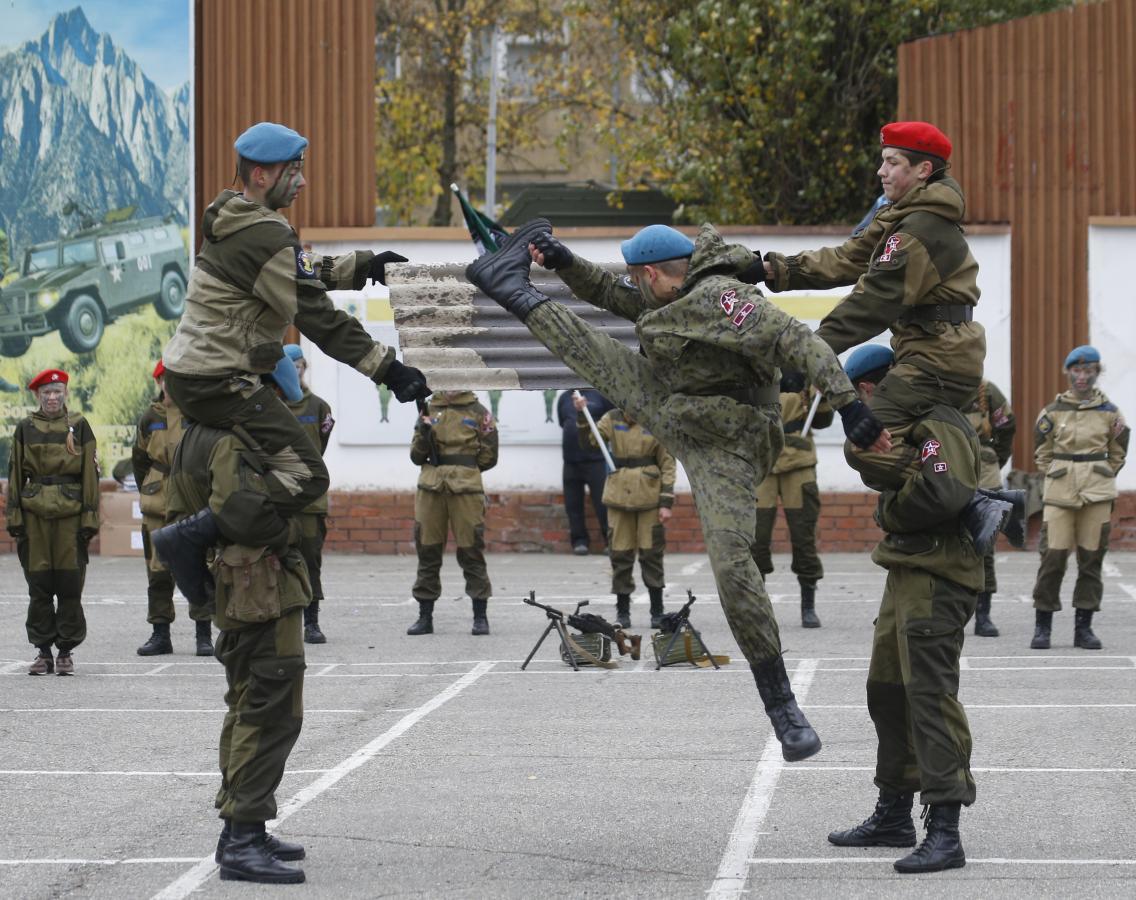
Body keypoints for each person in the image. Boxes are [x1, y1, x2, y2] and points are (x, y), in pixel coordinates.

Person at [466, 218, 890, 762]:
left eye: (637, 278)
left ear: (652, 273)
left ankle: (783, 707)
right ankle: (510, 286)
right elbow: (613, 295)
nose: (636, 288)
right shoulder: (669, 292)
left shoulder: (724, 297)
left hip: (730, 445)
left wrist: (850, 403)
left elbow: (797, 340)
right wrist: (565, 262)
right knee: (594, 355)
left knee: (733, 564)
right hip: (678, 411)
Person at [156, 121, 429, 600]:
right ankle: (193, 538)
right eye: (294, 171)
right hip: (218, 380)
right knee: (306, 476)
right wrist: (390, 370)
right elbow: (317, 317)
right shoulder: (263, 234)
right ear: (261, 176)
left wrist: (366, 266)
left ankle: (211, 535)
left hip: (192, 375)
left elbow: (295, 271)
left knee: (264, 467)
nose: (302, 182)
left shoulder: (235, 218)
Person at [761, 121, 1018, 547]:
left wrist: (805, 352)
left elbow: (871, 304)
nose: (881, 171)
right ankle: (954, 500)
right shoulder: (902, 217)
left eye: (892, 162)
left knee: (864, 444)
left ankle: (970, 499)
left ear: (922, 171)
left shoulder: (920, 230)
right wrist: (772, 269)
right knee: (901, 447)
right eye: (883, 160)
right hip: (930, 352)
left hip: (937, 358)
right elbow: (846, 259)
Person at [827, 344, 981, 874]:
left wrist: (891, 506)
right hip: (906, 570)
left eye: (863, 396)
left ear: (874, 388)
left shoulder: (939, 422)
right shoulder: (911, 427)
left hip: (939, 574)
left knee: (930, 698)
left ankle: (945, 828)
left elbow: (945, 492)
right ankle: (893, 811)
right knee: (887, 691)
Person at [164, 407, 310, 885]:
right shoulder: (229, 438)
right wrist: (290, 530)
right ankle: (243, 838)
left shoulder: (191, 434)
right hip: (259, 589)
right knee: (268, 712)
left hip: (244, 587)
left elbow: (188, 511)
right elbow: (244, 515)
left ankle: (242, 828)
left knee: (249, 704)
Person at [1029, 346, 1128, 650]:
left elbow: (1119, 450)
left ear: (1097, 373)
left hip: (1096, 495)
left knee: (1091, 560)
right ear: (1068, 372)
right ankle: (1042, 626)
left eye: (1088, 371)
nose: (1082, 377)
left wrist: (1101, 474)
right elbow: (1042, 451)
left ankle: (1083, 628)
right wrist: (1059, 472)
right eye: (1077, 371)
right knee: (1053, 558)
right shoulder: (1052, 411)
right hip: (1060, 494)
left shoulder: (1110, 412)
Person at [6, 369, 99, 676]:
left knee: (70, 585)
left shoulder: (80, 425)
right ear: (37, 396)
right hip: (35, 517)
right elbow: (16, 475)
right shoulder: (25, 428)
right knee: (39, 585)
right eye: (46, 392)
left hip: (70, 516)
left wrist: (89, 517)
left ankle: (66, 653)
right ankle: (43, 652)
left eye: (57, 391)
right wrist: (15, 517)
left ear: (66, 394)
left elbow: (89, 475)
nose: (52, 397)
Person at [573, 396, 676, 628]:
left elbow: (668, 463)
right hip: (619, 497)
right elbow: (590, 442)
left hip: (649, 498)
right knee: (620, 555)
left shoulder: (657, 419)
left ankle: (657, 611)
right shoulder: (612, 418)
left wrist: (666, 503)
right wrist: (582, 414)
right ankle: (622, 612)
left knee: (652, 556)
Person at [134, 360, 213, 656]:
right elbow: (139, 460)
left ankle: (203, 634)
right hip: (157, 499)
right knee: (157, 571)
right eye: (165, 379)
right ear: (158, 383)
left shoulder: (196, 414)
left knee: (198, 564)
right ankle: (160, 633)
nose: (170, 384)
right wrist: (152, 486)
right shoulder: (149, 417)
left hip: (191, 495)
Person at [406, 390, 499, 636]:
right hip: (431, 487)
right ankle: (425, 616)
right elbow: (416, 456)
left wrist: (464, 469)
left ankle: (480, 616)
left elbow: (489, 456)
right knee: (427, 549)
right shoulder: (428, 409)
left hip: (466, 488)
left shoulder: (479, 412)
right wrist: (425, 433)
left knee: (471, 549)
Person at [752, 372, 834, 628]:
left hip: (798, 463)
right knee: (756, 536)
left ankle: (807, 605)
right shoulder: (756, 365)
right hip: (763, 462)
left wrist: (822, 396)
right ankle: (758, 608)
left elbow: (822, 421)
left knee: (803, 534)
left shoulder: (805, 372)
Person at [282, 343, 335, 644]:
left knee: (310, 560)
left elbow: (320, 446)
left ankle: (311, 622)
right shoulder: (269, 405)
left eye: (300, 364)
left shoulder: (319, 407)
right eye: (291, 365)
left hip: (310, 498)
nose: (297, 370)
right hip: (277, 495)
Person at [962, 379, 1016, 637]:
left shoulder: (987, 391)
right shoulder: (935, 384)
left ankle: (983, 614)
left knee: (984, 545)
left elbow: (1006, 426)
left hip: (984, 476)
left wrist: (994, 458)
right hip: (947, 471)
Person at [557, 388, 613, 554]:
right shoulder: (564, 398)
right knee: (573, 505)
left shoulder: (600, 395)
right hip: (571, 461)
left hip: (596, 460)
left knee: (603, 504)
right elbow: (563, 421)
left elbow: (611, 421)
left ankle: (610, 541)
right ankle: (579, 541)